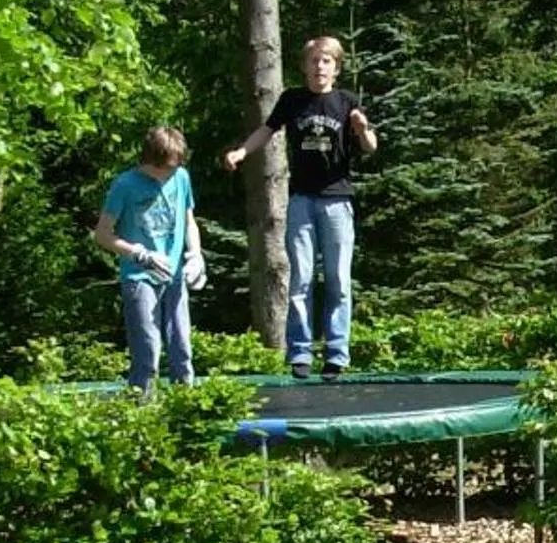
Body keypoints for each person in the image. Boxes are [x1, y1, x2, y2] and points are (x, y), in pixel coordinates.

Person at [224, 35, 379, 378]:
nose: (320, 67)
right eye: (314, 61)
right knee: (301, 280)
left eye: (327, 61)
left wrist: (362, 129)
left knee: (338, 280)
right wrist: (241, 152)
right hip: (302, 201)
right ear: (305, 66)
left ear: (336, 68)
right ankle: (300, 353)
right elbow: (267, 130)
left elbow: (370, 146)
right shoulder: (293, 100)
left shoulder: (346, 101)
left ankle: (337, 354)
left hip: (337, 200)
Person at [95, 125, 205, 391]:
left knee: (182, 348)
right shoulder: (125, 185)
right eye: (166, 168)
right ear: (150, 160)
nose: (170, 173)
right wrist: (139, 254)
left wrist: (195, 255)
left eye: (175, 167)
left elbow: (189, 221)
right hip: (140, 277)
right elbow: (102, 235)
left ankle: (186, 404)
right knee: (148, 352)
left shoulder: (181, 177)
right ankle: (142, 407)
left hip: (174, 274)